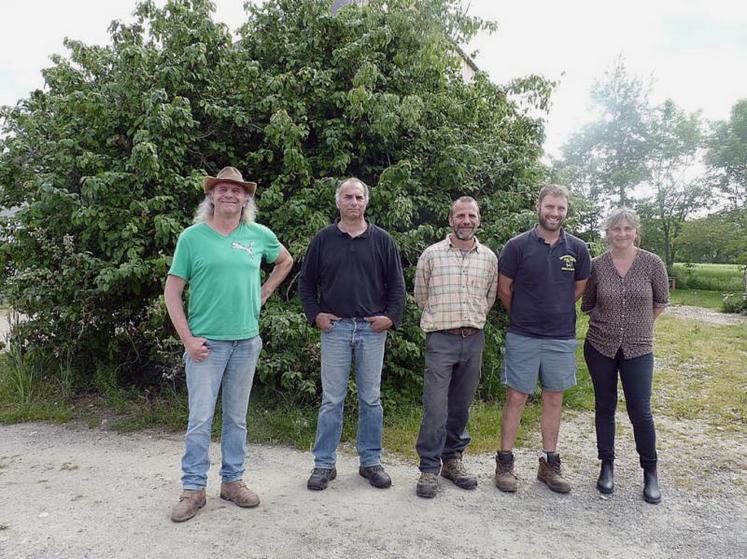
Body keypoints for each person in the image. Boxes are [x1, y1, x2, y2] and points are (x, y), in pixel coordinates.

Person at [165, 166, 293, 522]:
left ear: (245, 198)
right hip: (206, 345)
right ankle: (193, 490)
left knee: (236, 419)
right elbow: (172, 292)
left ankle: (232, 482)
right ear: (212, 195)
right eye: (223, 189)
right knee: (200, 419)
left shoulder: (258, 235)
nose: (230, 195)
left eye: (237, 191)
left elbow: (284, 260)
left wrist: (264, 292)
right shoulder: (192, 238)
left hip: (246, 341)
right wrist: (187, 339)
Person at [299, 177, 406, 491]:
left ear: (366, 202)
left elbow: (397, 286)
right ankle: (324, 464)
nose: (354, 202)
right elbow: (306, 285)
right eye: (348, 197)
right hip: (335, 329)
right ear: (338, 201)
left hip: (372, 331)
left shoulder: (383, 240)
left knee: (371, 399)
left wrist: (390, 317)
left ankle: (370, 461)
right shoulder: (323, 239)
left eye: (359, 197)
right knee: (332, 400)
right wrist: (315, 314)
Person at [494, 184, 591, 494]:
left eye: (560, 208)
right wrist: (525, 313)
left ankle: (550, 464)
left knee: (553, 398)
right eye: (550, 207)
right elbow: (504, 289)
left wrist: (556, 309)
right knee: (517, 397)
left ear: (566, 211)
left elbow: (578, 289)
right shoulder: (517, 246)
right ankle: (505, 463)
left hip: (561, 336)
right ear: (538, 206)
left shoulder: (577, 248)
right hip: (523, 333)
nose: (555, 213)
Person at [581, 208, 668, 504]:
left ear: (635, 231)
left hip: (639, 348)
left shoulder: (652, 263)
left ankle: (650, 471)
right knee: (604, 406)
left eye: (627, 228)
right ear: (608, 233)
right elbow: (587, 304)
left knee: (640, 411)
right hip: (600, 346)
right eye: (616, 229)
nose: (621, 234)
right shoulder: (597, 266)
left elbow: (661, 301)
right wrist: (610, 322)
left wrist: (639, 326)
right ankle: (607, 465)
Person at [413, 196, 498, 498]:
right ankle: (428, 467)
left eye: (471, 215)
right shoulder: (432, 255)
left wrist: (470, 321)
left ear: (478, 219)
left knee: (460, 405)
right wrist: (442, 322)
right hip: (441, 339)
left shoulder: (489, 258)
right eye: (460, 215)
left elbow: (489, 298)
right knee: (436, 406)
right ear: (450, 220)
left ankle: (453, 459)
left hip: (473, 339)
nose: (466, 220)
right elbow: (421, 295)